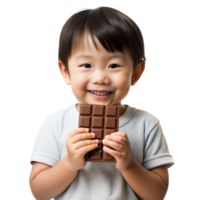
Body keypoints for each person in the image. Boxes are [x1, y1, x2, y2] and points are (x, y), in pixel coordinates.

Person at [28, 4, 176, 200]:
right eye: (86, 65)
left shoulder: (148, 124)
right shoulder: (53, 123)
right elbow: (39, 192)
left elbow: (157, 194)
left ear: (136, 72)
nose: (100, 78)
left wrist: (129, 164)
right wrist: (69, 163)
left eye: (113, 65)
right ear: (65, 71)